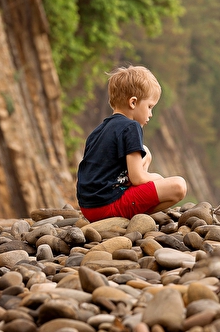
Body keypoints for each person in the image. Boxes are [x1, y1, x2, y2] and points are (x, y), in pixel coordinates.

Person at [76, 65, 187, 221]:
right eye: (149, 107)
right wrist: (158, 179)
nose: (150, 114)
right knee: (179, 186)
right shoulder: (131, 127)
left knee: (145, 152)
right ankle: (134, 217)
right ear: (133, 102)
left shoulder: (99, 130)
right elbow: (137, 178)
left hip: (88, 207)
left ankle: (132, 207)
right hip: (107, 207)